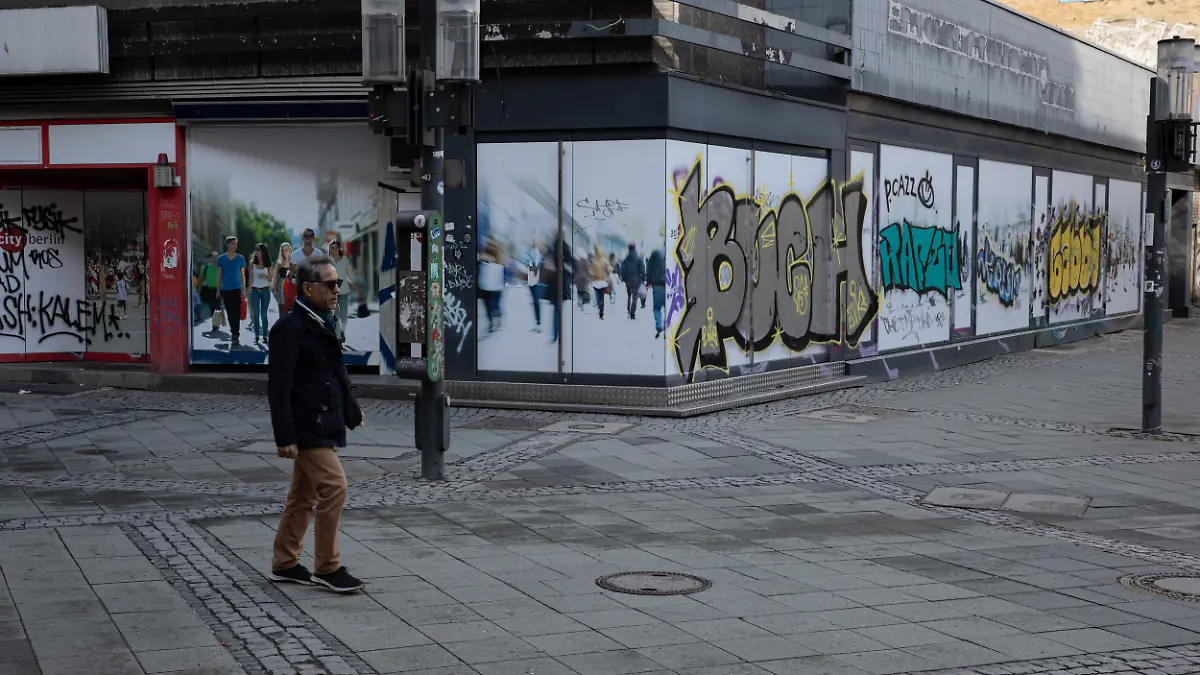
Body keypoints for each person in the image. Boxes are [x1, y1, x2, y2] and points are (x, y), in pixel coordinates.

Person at [267, 253, 365, 594]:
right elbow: (278, 388)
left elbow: (335, 371)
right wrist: (285, 436)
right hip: (306, 424)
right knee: (335, 486)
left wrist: (351, 410)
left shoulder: (323, 319)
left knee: (302, 495)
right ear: (308, 288)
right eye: (330, 284)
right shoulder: (290, 329)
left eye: (337, 283)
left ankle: (284, 562)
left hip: (323, 419)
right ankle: (327, 566)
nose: (337, 289)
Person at [216, 236, 249, 347]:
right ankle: (233, 332)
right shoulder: (221, 258)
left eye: (235, 243)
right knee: (230, 313)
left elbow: (242, 275)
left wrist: (244, 289)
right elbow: (219, 275)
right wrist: (218, 289)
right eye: (232, 243)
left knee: (236, 312)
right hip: (225, 289)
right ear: (228, 244)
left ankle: (236, 335)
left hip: (236, 289)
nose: (234, 246)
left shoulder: (240, 258)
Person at [327, 240, 359, 344]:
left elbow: (349, 273)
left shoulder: (345, 260)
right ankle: (338, 337)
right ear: (329, 250)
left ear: (339, 248)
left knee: (344, 315)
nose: (334, 250)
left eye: (336, 248)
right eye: (332, 248)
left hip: (344, 290)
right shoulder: (327, 261)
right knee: (336, 316)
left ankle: (341, 331)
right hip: (332, 292)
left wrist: (354, 285)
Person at [249, 243, 274, 345]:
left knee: (264, 314)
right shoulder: (252, 264)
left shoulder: (268, 264)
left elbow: (270, 279)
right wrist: (248, 291)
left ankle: (265, 336)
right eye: (255, 250)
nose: (256, 252)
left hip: (265, 291)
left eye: (258, 250)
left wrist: (265, 275)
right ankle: (256, 336)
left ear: (263, 251)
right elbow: (250, 278)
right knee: (256, 314)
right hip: (255, 291)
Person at [620, 243, 646, 320]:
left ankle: (628, 310)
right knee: (635, 297)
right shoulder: (638, 259)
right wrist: (643, 279)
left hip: (628, 280)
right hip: (636, 280)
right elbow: (642, 270)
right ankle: (632, 312)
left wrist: (624, 279)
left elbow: (623, 271)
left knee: (629, 296)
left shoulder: (626, 259)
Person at [646, 246, 667, 338]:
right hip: (670, 285)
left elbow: (649, 268)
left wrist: (648, 281)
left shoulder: (655, 252)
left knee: (657, 307)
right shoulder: (675, 252)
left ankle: (659, 325)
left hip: (657, 284)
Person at [274, 242, 293, 309]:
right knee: (282, 307)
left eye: (286, 250)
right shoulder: (279, 263)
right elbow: (275, 276)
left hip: (290, 286)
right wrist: (274, 289)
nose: (284, 252)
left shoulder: (293, 262)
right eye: (282, 250)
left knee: (290, 307)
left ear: (289, 251)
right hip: (280, 287)